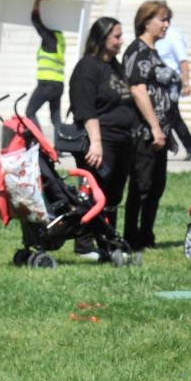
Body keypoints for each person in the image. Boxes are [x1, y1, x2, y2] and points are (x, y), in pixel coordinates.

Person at [69, 18, 137, 247]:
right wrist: (95, 143)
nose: (121, 40)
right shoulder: (87, 67)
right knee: (94, 193)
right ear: (102, 38)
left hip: (122, 141)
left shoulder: (115, 66)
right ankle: (84, 243)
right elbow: (85, 108)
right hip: (101, 140)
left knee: (113, 197)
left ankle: (108, 240)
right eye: (116, 36)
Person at [122, 0, 177, 250]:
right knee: (141, 186)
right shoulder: (137, 51)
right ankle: (132, 236)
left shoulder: (153, 52)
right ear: (146, 21)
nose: (166, 25)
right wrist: (154, 127)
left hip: (161, 132)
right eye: (162, 20)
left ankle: (147, 234)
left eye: (168, 20)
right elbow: (138, 89)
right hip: (145, 132)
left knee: (156, 186)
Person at [157, 17, 191, 159]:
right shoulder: (157, 36)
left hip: (171, 83)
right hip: (160, 82)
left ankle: (185, 146)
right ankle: (190, 148)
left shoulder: (173, 36)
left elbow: (183, 61)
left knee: (171, 115)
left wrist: (186, 83)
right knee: (172, 116)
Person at [28, 0, 66, 134]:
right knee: (56, 118)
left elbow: (36, 22)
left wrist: (37, 1)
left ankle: (39, 141)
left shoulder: (50, 38)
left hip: (47, 83)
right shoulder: (60, 39)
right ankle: (61, 145)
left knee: (30, 112)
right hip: (58, 84)